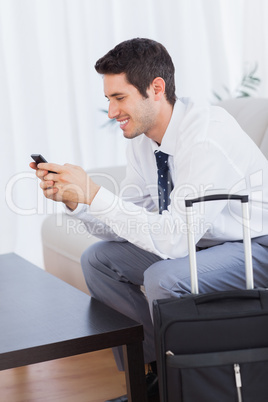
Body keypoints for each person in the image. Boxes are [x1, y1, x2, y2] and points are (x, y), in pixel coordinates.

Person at [30, 38, 268, 402]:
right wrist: (78, 202)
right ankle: (156, 379)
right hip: (202, 242)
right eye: (108, 99)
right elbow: (131, 218)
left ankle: (191, 387)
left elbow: (173, 241)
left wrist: (95, 193)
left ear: (156, 88)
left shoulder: (205, 136)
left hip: (253, 247)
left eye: (119, 98)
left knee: (163, 278)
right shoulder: (144, 142)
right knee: (99, 260)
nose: (111, 112)